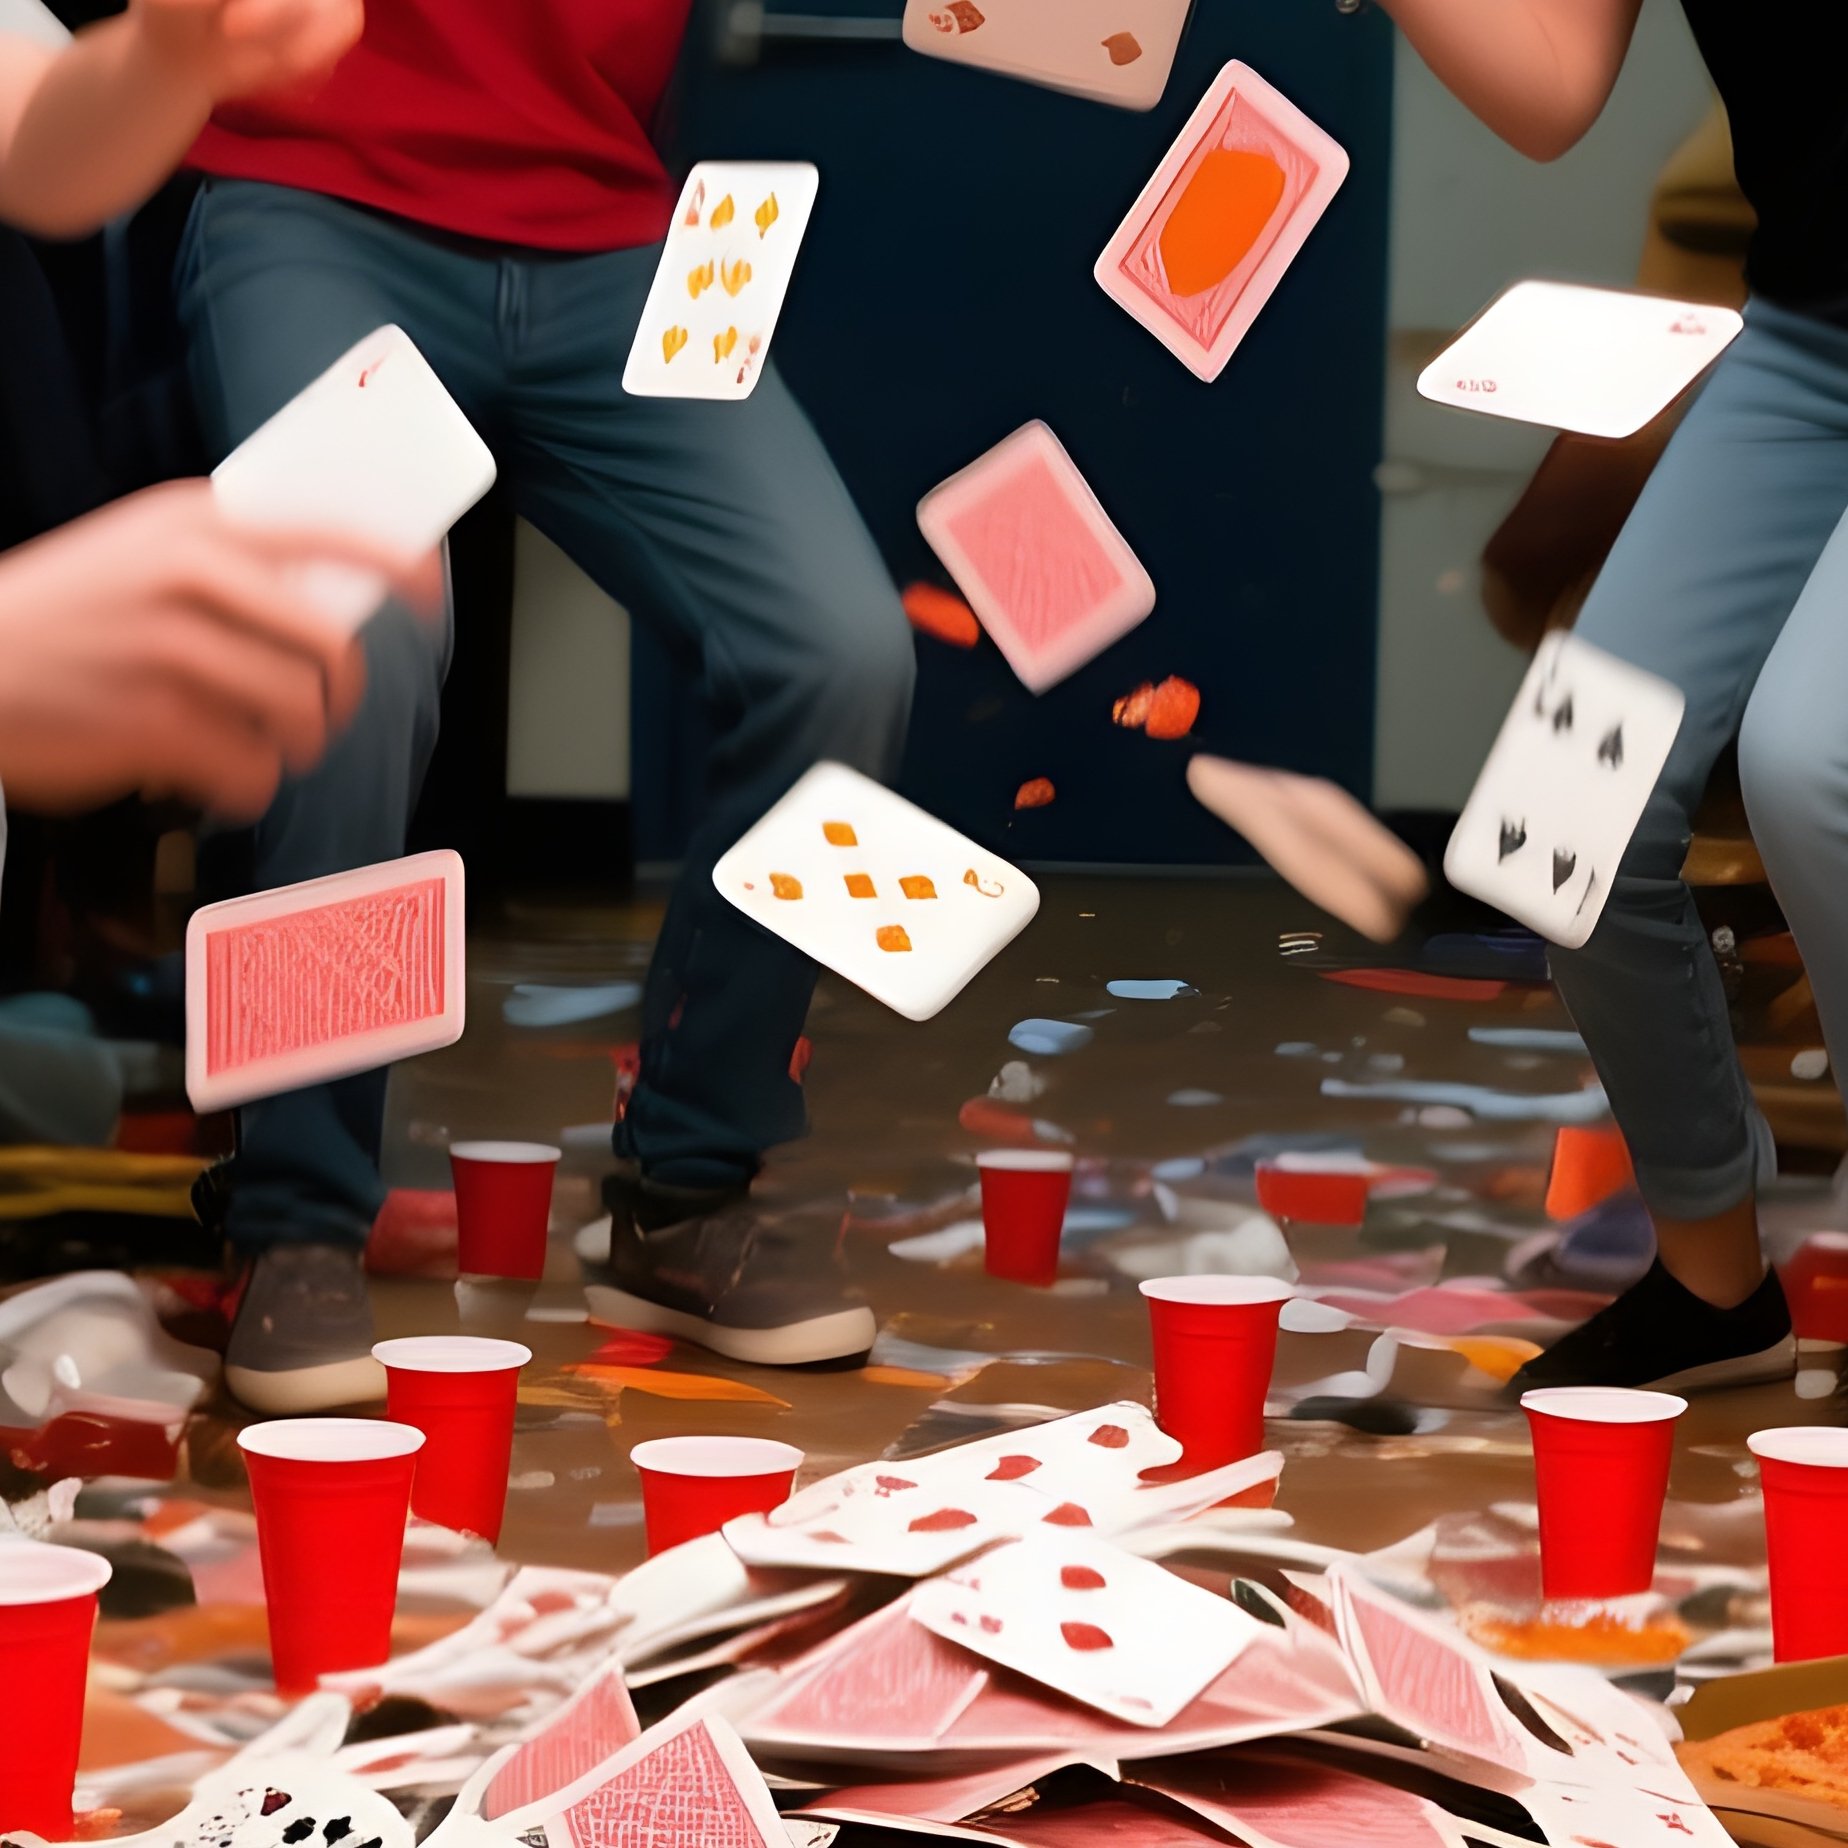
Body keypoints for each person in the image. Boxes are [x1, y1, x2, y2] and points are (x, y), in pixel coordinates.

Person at [175, 1, 916, 1409]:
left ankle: (686, 1196)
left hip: (622, 235)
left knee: (840, 649)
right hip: (319, 196)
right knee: (356, 639)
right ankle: (292, 1219)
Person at [1386, 0, 1846, 1392]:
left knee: (1812, 764)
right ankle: (1717, 1289)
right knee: (1557, 824)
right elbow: (1550, 86)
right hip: (1810, 339)